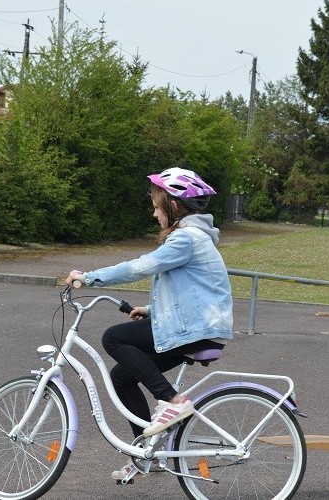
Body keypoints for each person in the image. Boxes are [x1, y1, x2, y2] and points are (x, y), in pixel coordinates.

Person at [65, 167, 233, 480]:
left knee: (113, 339)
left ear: (174, 206)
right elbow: (191, 292)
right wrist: (152, 310)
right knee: (122, 377)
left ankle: (172, 401)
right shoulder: (193, 238)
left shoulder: (186, 238)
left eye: (157, 206)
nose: (154, 213)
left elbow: (142, 266)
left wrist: (88, 277)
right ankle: (148, 454)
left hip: (196, 330)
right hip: (196, 327)